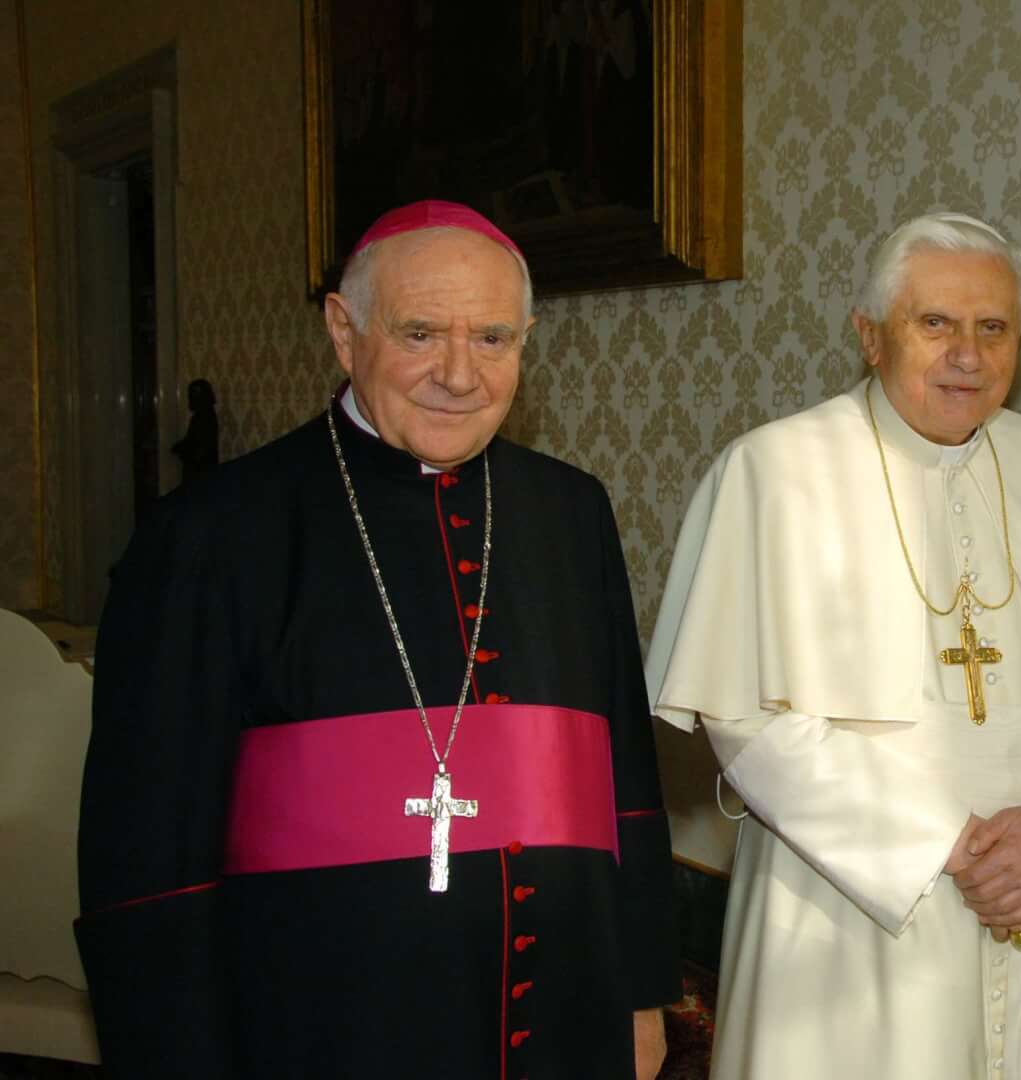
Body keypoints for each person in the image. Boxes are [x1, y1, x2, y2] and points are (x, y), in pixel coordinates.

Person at [77, 200, 679, 1078]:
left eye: (493, 339)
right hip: (322, 1029)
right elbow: (148, 853)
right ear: (343, 331)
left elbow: (623, 772)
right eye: (420, 333)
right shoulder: (209, 533)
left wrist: (640, 994)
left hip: (566, 1011)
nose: (459, 375)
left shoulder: (570, 510)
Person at [645, 211, 1021, 1079]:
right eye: (934, 323)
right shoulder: (775, 472)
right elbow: (749, 722)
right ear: (869, 335)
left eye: (993, 328)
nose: (967, 354)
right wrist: (958, 848)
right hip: (841, 913)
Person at [170, 377, 219, 483]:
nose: (190, 400)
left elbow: (201, 447)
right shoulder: (203, 416)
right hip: (201, 470)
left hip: (200, 472)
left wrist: (183, 450)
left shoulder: (205, 417)